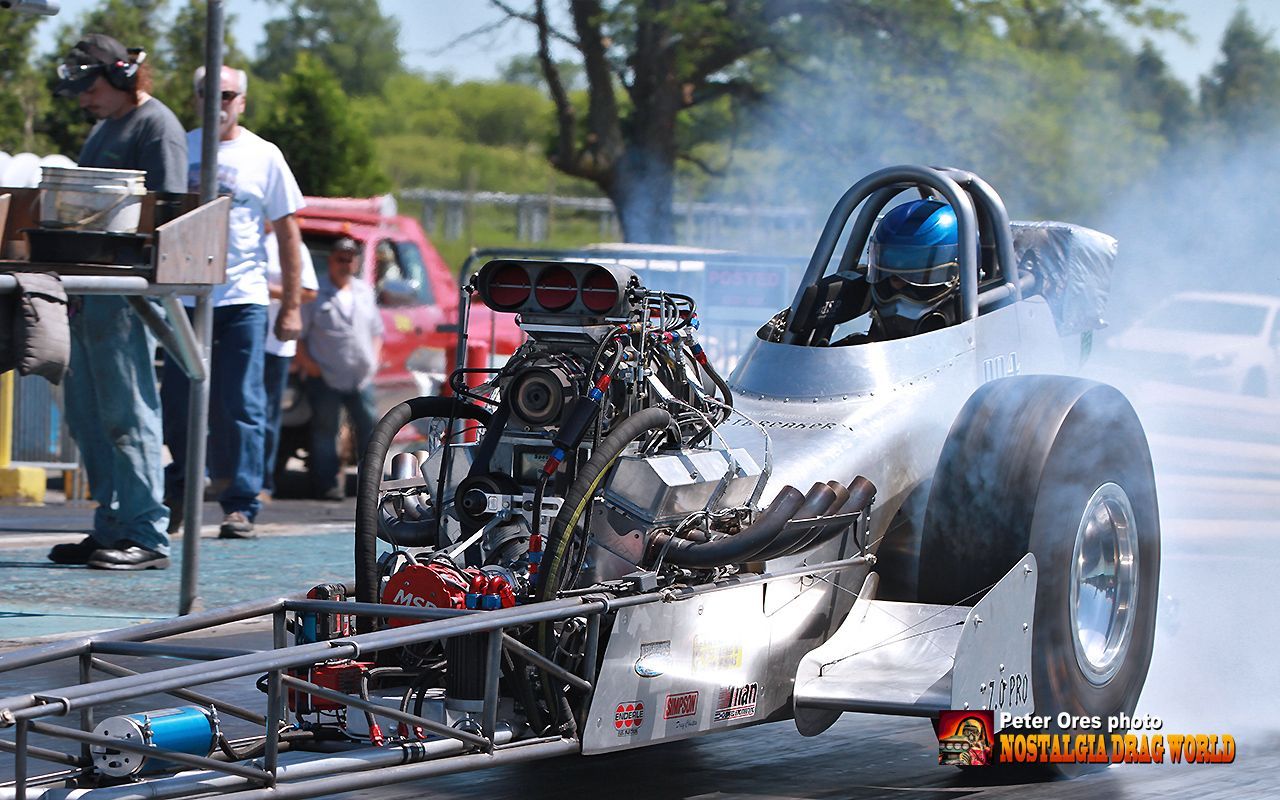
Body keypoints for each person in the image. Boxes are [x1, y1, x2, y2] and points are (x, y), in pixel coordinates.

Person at [46, 34, 185, 570]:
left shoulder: (157, 126)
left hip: (125, 297)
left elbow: (170, 211)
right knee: (87, 417)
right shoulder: (106, 126)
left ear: (124, 76)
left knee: (129, 414)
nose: (83, 99)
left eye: (91, 85)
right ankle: (111, 524)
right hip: (88, 292)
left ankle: (146, 532)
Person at [162, 65, 304, 540]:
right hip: (186, 294)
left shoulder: (264, 155)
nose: (217, 102)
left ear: (241, 101)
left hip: (242, 295)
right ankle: (180, 488)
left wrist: (291, 306)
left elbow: (287, 232)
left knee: (240, 401)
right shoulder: (181, 146)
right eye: (207, 93)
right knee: (179, 400)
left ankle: (241, 503)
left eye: (226, 94)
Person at [295, 238, 383, 501]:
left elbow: (377, 332)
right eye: (340, 259)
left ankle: (370, 484)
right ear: (331, 260)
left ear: (356, 262)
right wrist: (309, 365)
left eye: (350, 259)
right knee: (326, 431)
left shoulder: (364, 291)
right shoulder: (314, 291)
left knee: (371, 429)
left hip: (360, 377)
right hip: (325, 376)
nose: (345, 264)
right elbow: (299, 334)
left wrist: (374, 360)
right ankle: (327, 484)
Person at [262, 224, 318, 499]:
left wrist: (267, 290)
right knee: (232, 410)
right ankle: (225, 474)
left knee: (266, 415)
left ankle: (262, 481)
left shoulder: (288, 243)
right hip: (234, 339)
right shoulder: (240, 234)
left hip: (275, 343)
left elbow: (309, 291)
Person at [866, 199, 963, 340]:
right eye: (890, 275)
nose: (898, 287)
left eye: (917, 276)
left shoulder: (993, 342)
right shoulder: (863, 354)